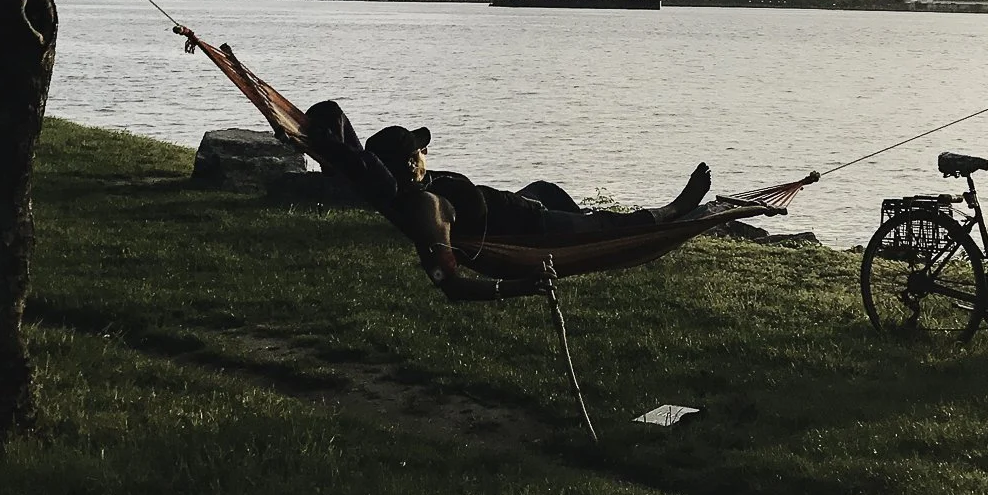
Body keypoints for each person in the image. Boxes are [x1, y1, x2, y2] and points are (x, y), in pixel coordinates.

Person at [302, 101, 712, 303]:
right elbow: (452, 286)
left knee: (545, 187)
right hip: (530, 229)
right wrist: (520, 286)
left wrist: (325, 147)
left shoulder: (400, 186)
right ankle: (673, 212)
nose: (426, 155)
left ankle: (581, 220)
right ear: (411, 164)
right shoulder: (428, 209)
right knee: (607, 227)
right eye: (419, 152)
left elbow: (334, 121)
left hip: (517, 204)